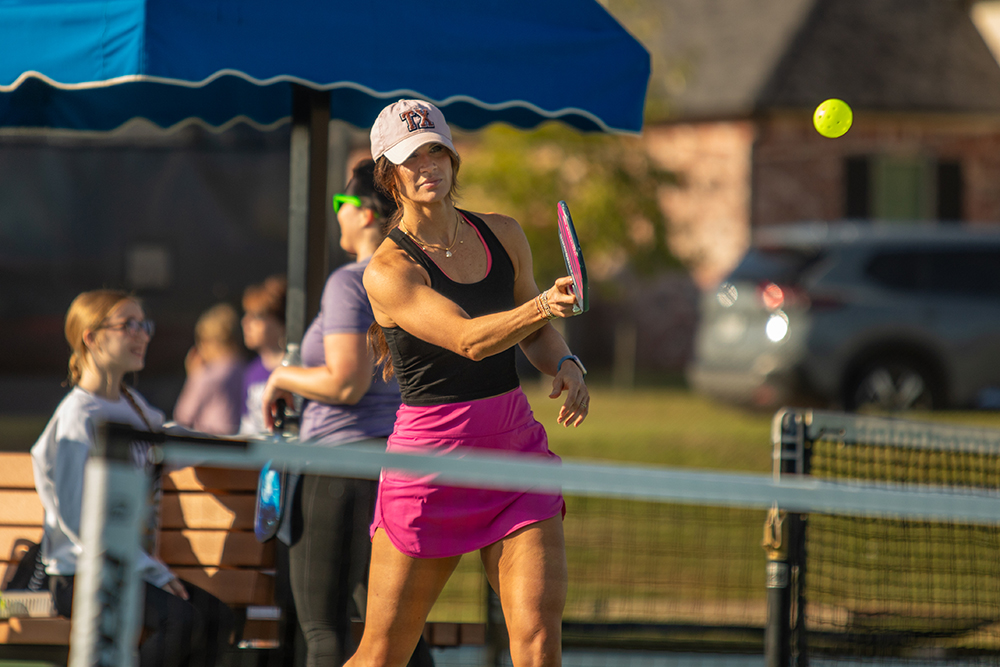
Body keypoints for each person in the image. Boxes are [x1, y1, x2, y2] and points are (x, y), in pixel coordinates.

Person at [348, 99, 589, 667]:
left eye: (437, 151)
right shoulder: (386, 270)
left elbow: (532, 336)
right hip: (430, 463)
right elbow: (470, 339)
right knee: (382, 654)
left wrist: (568, 364)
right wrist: (543, 308)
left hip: (514, 454)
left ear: (455, 160)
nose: (428, 165)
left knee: (538, 644)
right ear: (389, 174)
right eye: (412, 157)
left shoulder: (502, 233)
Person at [259, 160, 432, 667]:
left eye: (341, 203)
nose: (337, 213)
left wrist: (280, 377)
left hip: (340, 465)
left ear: (363, 213)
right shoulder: (418, 275)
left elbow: (346, 381)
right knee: (397, 634)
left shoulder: (350, 281)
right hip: (396, 465)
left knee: (324, 630)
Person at [30, 289, 235, 667]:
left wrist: (248, 445)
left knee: (218, 618)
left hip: (128, 566)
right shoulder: (77, 418)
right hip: (82, 572)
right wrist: (151, 571)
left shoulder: (133, 407)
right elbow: (80, 523)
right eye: (129, 325)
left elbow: (173, 442)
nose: (143, 335)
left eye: (145, 325)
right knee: (182, 622)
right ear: (91, 337)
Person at [173, 302, 246, 435]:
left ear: (209, 341)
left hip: (210, 444)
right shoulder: (245, 369)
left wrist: (193, 377)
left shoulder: (207, 376)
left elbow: (183, 416)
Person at [239, 275, 287, 435]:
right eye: (246, 315)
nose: (245, 322)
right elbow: (247, 427)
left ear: (281, 322)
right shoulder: (252, 372)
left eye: (257, 316)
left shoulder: (297, 368)